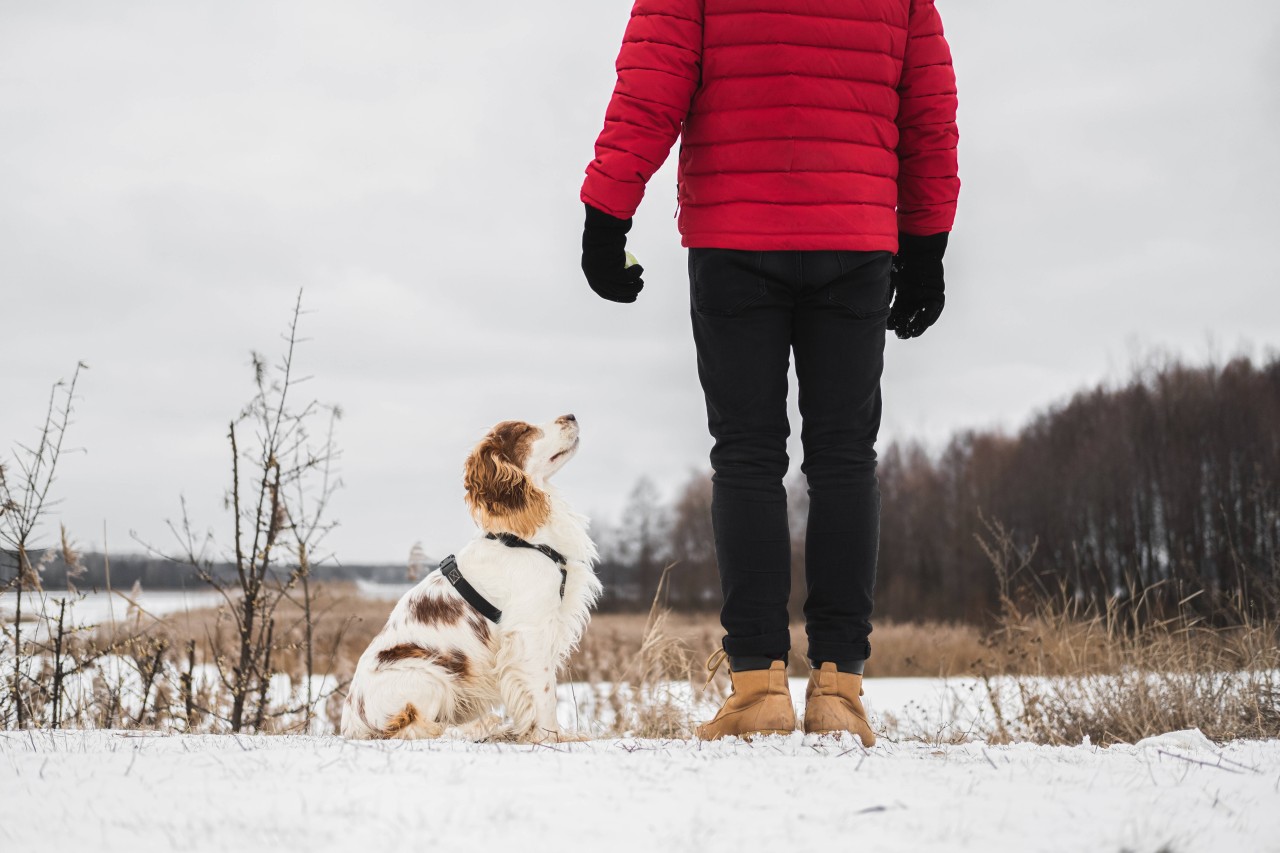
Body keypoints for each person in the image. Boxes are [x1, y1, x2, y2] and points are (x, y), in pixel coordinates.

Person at [580, 0, 958, 743]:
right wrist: (926, 244)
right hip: (853, 236)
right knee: (845, 457)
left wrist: (607, 214)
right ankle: (839, 690)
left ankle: (757, 687)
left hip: (734, 237)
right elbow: (928, 109)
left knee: (748, 455)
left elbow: (651, 87)